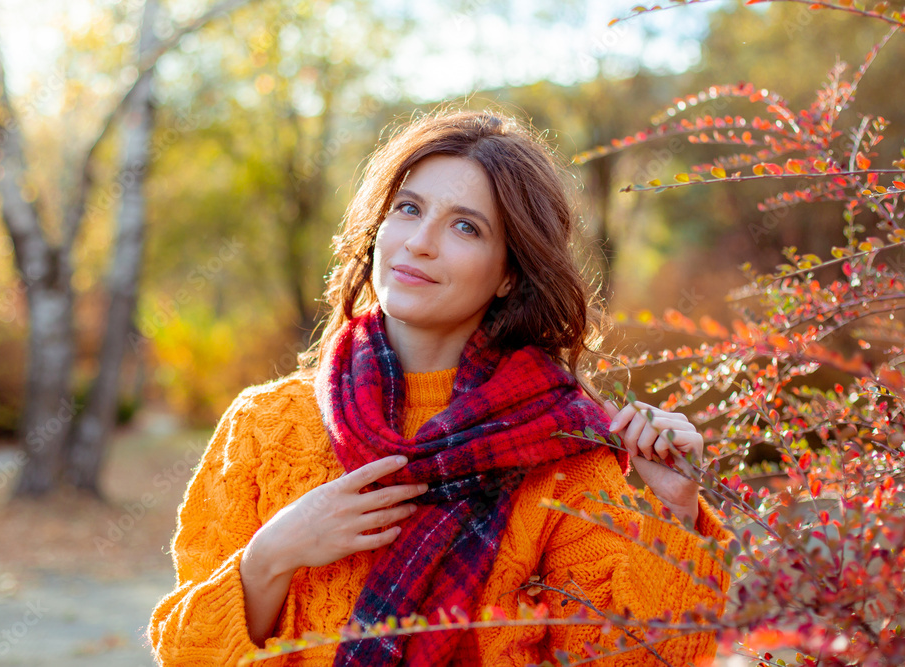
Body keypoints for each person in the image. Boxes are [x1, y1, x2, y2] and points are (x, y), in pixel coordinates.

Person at [147, 110, 731, 666]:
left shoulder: (561, 456)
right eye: (407, 208)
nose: (419, 242)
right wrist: (274, 554)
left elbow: (642, 657)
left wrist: (673, 511)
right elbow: (184, 652)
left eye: (465, 226)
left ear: (508, 273)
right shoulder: (267, 426)